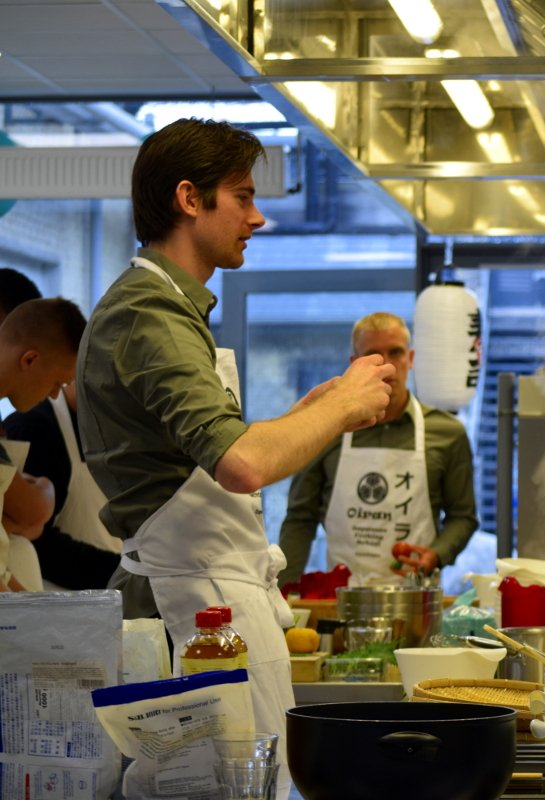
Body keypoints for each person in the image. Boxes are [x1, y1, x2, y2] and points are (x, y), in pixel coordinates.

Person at [76, 118, 394, 750]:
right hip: (191, 612)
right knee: (219, 783)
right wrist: (341, 407)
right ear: (190, 199)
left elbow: (213, 453)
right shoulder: (149, 311)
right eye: (243, 197)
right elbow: (241, 463)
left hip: (207, 599)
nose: (257, 217)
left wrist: (315, 412)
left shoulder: (173, 307)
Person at [278, 311, 479, 585]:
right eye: (373, 356)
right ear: (354, 366)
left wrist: (436, 554)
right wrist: (283, 590)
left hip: (416, 598)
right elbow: (301, 518)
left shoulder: (448, 434)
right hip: (342, 597)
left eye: (396, 352)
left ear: (410, 358)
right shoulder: (327, 429)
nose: (387, 366)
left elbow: (463, 517)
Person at [0, 298, 86, 591]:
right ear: (30, 360)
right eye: (57, 383)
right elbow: (31, 514)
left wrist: (33, 608)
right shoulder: (35, 424)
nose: (53, 395)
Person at [5, 381, 123, 589]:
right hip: (53, 594)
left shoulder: (118, 433)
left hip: (105, 595)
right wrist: (122, 574)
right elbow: (33, 532)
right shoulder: (33, 426)